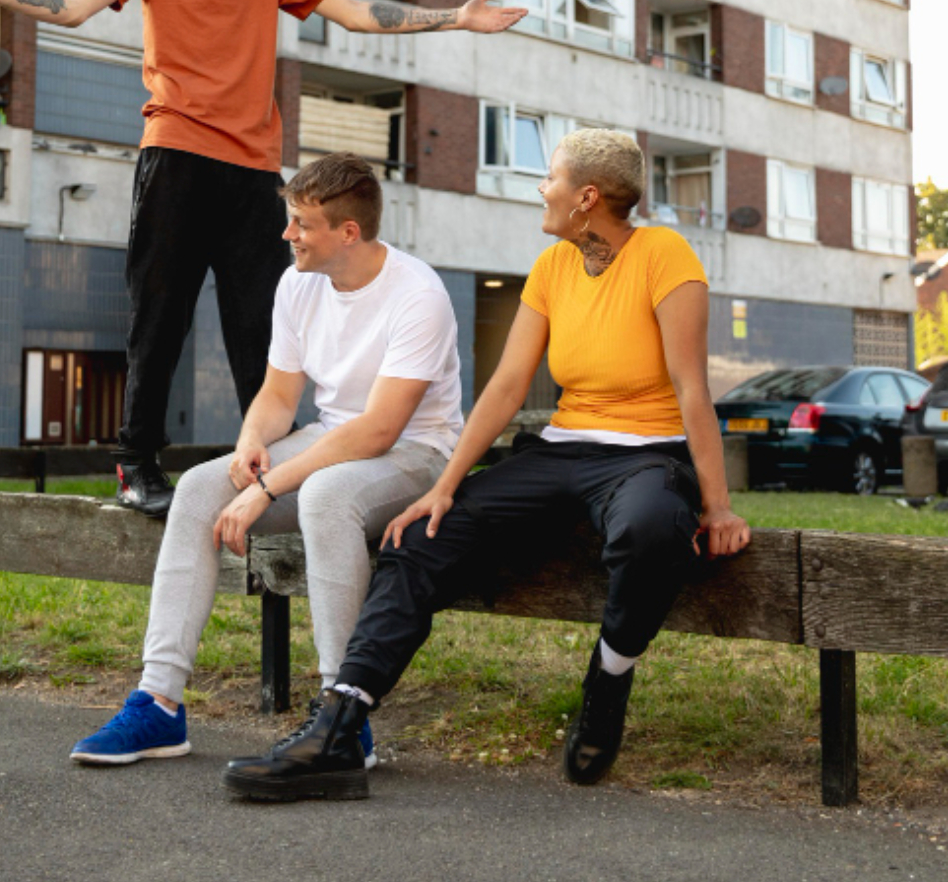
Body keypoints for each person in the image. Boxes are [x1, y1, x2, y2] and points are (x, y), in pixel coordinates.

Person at [0, 0, 524, 518]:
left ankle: (272, 469)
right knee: (161, 317)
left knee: (263, 328)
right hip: (176, 156)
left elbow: (355, 13)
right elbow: (72, 6)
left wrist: (456, 18)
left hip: (252, 171)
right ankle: (135, 462)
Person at [222, 129, 753, 802]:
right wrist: (444, 488)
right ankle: (340, 724)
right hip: (562, 448)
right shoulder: (553, 267)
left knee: (651, 530)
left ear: (587, 197)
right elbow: (504, 389)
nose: (542, 188)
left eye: (552, 178)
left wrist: (717, 505)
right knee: (420, 538)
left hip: (647, 456)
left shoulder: (665, 255)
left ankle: (609, 679)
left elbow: (692, 386)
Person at [69, 153, 465, 767]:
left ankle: (343, 716)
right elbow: (280, 396)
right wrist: (253, 439)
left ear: (348, 232)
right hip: (332, 438)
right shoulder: (298, 283)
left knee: (326, 495)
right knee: (200, 488)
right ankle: (158, 704)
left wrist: (268, 487)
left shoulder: (418, 294)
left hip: (416, 453)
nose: (287, 234)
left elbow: (380, 429)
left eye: (302, 223)